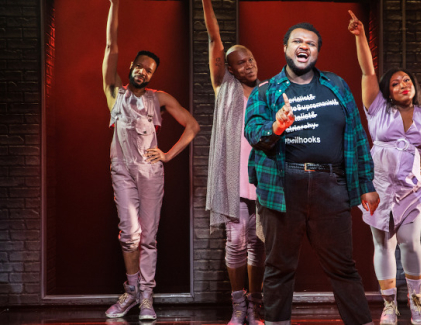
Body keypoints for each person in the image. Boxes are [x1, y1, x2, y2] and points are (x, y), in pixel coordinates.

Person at [244, 22, 378, 325]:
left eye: (312, 43)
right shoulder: (266, 91)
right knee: (279, 266)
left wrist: (366, 182)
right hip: (282, 186)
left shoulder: (337, 85)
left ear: (317, 52)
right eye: (297, 41)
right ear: (285, 48)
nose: (304, 47)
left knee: (343, 266)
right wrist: (276, 126)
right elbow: (253, 132)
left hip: (331, 185)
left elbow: (357, 135)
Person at [348, 11, 421, 325]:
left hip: (413, 187)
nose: (403, 84)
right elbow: (367, 71)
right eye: (397, 82)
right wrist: (360, 36)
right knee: (382, 243)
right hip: (378, 185)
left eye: (408, 81)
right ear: (388, 91)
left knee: (410, 242)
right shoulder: (377, 108)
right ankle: (389, 305)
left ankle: (416, 302)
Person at [102, 0, 199, 320]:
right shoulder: (115, 91)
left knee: (149, 236)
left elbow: (193, 126)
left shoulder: (159, 98)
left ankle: (146, 297)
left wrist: (168, 154)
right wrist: (115, 5)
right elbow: (110, 44)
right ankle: (131, 292)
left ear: (153, 74)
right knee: (129, 233)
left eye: (149, 69)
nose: (143, 71)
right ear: (131, 66)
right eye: (140, 65)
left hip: (151, 172)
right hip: (123, 169)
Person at [202, 1, 265, 324]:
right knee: (236, 242)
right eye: (241, 62)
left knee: (259, 244)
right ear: (230, 68)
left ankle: (255, 305)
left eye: (251, 59)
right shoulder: (224, 87)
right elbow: (215, 39)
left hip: (262, 179)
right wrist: (206, 4)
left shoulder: (269, 91)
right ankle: (238, 306)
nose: (249, 65)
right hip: (233, 179)